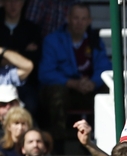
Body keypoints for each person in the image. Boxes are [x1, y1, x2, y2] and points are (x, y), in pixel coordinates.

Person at [38, 3, 111, 143]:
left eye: (83, 19)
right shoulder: (52, 40)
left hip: (88, 89)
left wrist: (93, 82)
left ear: (89, 21)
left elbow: (104, 68)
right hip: (64, 90)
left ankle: (102, 141)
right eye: (76, 18)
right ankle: (59, 144)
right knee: (57, 92)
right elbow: (45, 73)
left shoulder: (95, 40)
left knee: (108, 90)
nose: (79, 22)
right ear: (68, 18)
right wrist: (72, 83)